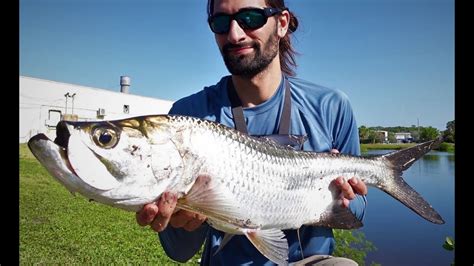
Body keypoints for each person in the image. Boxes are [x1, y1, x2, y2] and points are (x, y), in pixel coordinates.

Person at [136, 0, 368, 264]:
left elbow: (358, 210)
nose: (234, 34)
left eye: (250, 18)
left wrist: (344, 197)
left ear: (281, 24)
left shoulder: (331, 106)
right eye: (221, 22)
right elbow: (179, 253)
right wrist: (182, 221)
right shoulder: (187, 118)